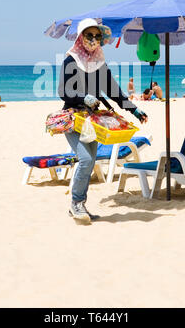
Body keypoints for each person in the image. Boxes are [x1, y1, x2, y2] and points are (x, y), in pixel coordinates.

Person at [58, 18, 148, 224]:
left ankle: (79, 205)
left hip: (93, 121)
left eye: (97, 36)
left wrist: (134, 110)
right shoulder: (70, 61)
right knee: (86, 160)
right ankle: (76, 203)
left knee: (90, 163)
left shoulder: (99, 62)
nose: (94, 39)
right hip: (74, 118)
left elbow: (114, 91)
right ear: (81, 37)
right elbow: (64, 91)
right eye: (89, 35)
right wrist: (84, 98)